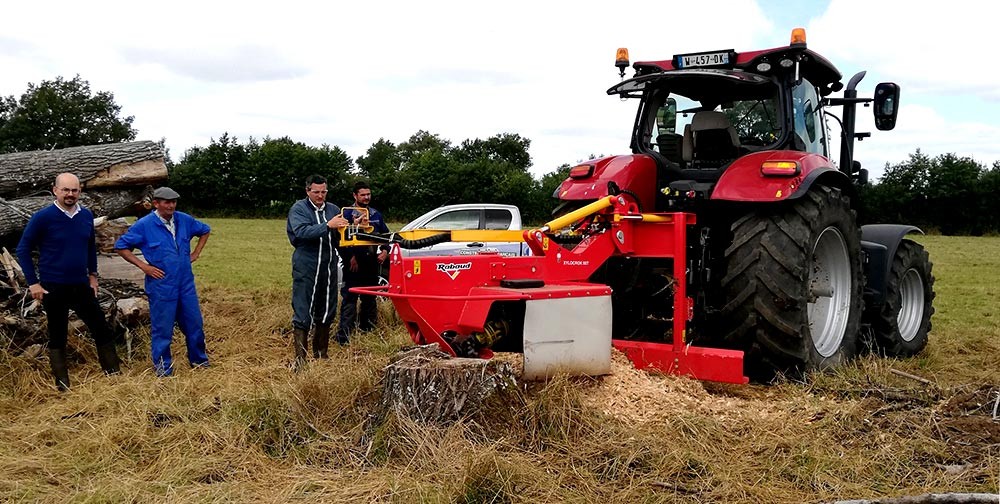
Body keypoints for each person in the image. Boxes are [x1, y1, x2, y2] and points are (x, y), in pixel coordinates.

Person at [15, 173, 122, 391]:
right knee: (58, 332)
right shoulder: (43, 217)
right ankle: (63, 385)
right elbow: (23, 249)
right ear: (55, 190)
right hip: (52, 286)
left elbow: (90, 247)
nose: (70, 194)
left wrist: (93, 275)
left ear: (79, 192)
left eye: (74, 190)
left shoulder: (85, 216)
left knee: (100, 326)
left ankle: (115, 377)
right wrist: (33, 283)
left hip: (80, 284)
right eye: (65, 190)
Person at [114, 187, 211, 377]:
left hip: (185, 283)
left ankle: (199, 362)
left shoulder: (184, 220)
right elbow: (121, 246)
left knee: (194, 324)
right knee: (162, 328)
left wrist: (196, 253)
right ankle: (163, 369)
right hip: (161, 284)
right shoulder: (144, 225)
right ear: (156, 204)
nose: (171, 205)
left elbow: (205, 230)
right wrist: (144, 267)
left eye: (174, 201)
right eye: (166, 202)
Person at [287, 175, 349, 369]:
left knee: (327, 308)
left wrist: (353, 222)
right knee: (303, 307)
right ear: (308, 191)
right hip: (307, 263)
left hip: (329, 264)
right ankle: (300, 359)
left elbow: (341, 234)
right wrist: (327, 226)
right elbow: (301, 232)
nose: (321, 195)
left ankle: (321, 353)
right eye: (316, 192)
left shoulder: (333, 209)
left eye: (324, 192)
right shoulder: (299, 209)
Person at [336, 181, 389, 345]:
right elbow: (339, 239)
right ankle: (344, 337)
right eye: (363, 195)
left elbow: (386, 235)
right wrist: (350, 257)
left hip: (371, 262)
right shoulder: (345, 214)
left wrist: (385, 251)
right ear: (355, 196)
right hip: (353, 264)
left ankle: (368, 332)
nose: (366, 197)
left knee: (369, 298)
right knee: (350, 299)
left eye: (368, 194)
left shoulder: (375, 214)